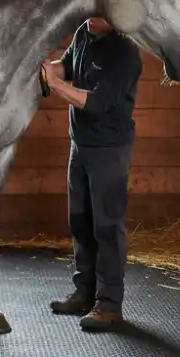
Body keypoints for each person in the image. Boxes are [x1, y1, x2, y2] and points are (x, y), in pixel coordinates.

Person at [41, 17, 143, 333]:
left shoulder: (126, 52)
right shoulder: (85, 33)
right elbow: (67, 66)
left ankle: (110, 305)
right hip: (81, 143)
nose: (91, 14)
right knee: (80, 221)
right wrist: (46, 68)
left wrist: (55, 85)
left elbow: (97, 103)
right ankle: (85, 293)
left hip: (109, 147)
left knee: (107, 226)